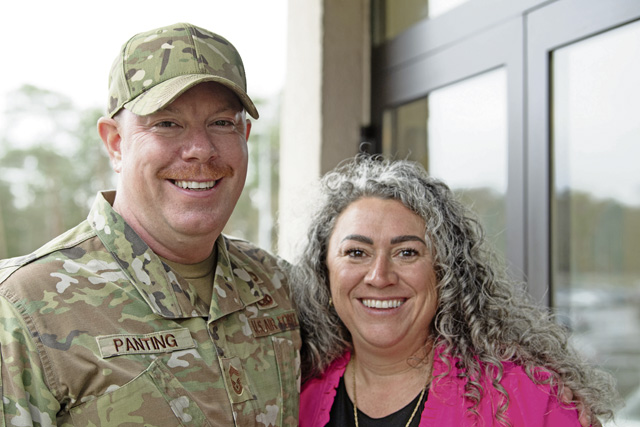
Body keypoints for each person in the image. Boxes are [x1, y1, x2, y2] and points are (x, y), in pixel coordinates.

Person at [0, 23, 300, 426]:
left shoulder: (278, 284)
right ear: (115, 143)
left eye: (222, 123)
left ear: (245, 135)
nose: (200, 150)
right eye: (166, 123)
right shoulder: (23, 307)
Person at [292, 155, 621, 426]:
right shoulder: (293, 394)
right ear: (325, 269)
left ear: (444, 271)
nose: (380, 276)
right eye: (356, 253)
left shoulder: (530, 398)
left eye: (407, 252)